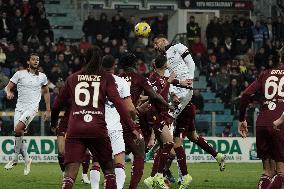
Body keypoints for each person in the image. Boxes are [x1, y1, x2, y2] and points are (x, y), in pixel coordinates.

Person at [50, 46, 139, 189]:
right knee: (109, 170)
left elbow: (56, 106)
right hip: (97, 128)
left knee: (69, 176)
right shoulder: (106, 78)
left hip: (75, 129)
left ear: (85, 59)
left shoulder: (72, 78)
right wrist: (131, 127)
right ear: (100, 61)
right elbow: (119, 103)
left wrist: (53, 123)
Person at [153, 36, 225, 189]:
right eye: (154, 45)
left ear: (164, 40)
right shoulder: (163, 60)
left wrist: (190, 80)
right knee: (191, 137)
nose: (156, 46)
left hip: (185, 92)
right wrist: (172, 93)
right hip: (179, 97)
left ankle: (166, 173)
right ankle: (215, 157)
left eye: (156, 42)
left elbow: (191, 63)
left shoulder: (178, 46)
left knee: (169, 128)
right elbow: (168, 81)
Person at [119, 52, 171, 189]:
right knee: (139, 153)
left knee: (116, 154)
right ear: (134, 64)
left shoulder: (115, 79)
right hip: (130, 121)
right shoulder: (139, 79)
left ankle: (112, 182)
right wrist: (167, 105)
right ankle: (132, 186)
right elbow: (155, 96)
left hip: (115, 123)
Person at [90, 55, 136, 189]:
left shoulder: (94, 82)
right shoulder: (121, 82)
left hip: (96, 126)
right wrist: (133, 120)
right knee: (119, 160)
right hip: (115, 128)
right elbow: (130, 108)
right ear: (114, 66)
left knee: (96, 161)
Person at [144, 55, 190, 189]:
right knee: (169, 143)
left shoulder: (161, 77)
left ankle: (153, 178)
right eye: (167, 63)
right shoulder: (153, 78)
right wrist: (170, 81)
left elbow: (169, 80)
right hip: (155, 115)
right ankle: (157, 176)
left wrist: (181, 82)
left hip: (162, 114)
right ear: (163, 65)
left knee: (166, 145)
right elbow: (158, 97)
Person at [4, 53, 51, 175]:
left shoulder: (42, 77)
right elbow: (8, 87)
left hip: (32, 108)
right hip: (19, 108)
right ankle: (27, 159)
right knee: (18, 133)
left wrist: (48, 109)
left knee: (18, 129)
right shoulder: (19, 74)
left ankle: (14, 158)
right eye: (33, 59)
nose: (36, 61)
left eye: (38, 60)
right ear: (28, 62)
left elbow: (46, 93)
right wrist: (8, 92)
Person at [238, 65, 284, 189]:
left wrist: (242, 118)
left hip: (262, 121)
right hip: (280, 122)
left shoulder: (266, 73)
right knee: (281, 172)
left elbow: (246, 94)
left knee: (267, 171)